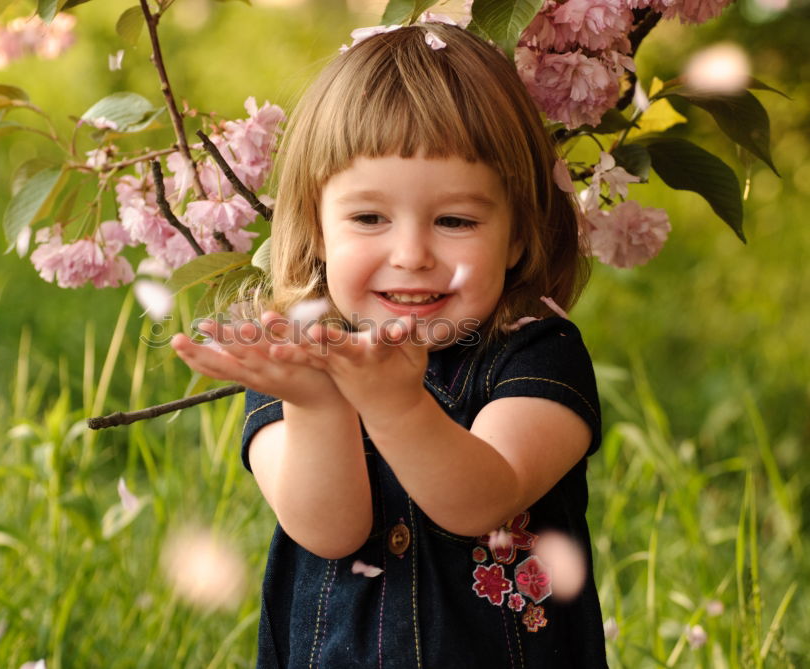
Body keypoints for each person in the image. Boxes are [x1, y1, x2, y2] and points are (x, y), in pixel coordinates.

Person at [170, 21, 607, 668]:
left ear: (518, 234)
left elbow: (483, 498)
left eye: (455, 221)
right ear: (318, 230)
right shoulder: (296, 364)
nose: (411, 255)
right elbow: (328, 529)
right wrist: (317, 403)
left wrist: (398, 408)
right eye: (369, 218)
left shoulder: (537, 355)